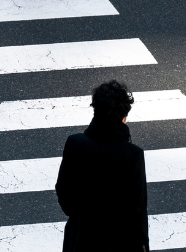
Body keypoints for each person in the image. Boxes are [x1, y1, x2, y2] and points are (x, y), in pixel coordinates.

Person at [55, 80, 149, 251]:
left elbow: (64, 194)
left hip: (80, 240)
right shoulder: (132, 155)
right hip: (118, 243)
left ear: (95, 110)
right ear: (124, 117)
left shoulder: (75, 144)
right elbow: (138, 211)